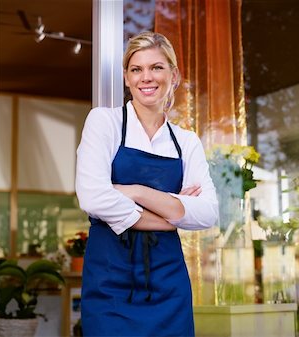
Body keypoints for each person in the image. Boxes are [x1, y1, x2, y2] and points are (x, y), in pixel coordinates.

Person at [75, 31, 219, 337]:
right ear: (126, 79)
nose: (146, 78)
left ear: (174, 75)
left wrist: (136, 191)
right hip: (110, 280)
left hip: (168, 282)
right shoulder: (104, 122)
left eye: (156, 67)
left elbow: (207, 213)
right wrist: (170, 213)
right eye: (136, 69)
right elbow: (92, 198)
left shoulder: (186, 142)